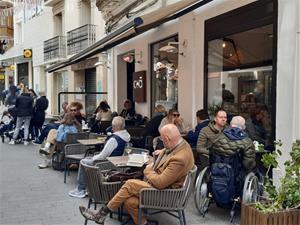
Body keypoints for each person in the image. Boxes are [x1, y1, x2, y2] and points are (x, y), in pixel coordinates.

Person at [79, 124, 194, 225]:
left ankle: (101, 214)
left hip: (168, 195)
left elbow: (160, 183)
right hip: (162, 187)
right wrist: (162, 152)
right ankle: (143, 223)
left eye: (163, 141)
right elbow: (169, 150)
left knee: (129, 184)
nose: (163, 144)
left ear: (168, 139)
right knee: (130, 202)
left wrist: (148, 169)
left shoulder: (180, 158)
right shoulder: (181, 144)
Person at [68, 116, 131, 198]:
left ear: (114, 127)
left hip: (107, 164)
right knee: (88, 159)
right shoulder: (127, 136)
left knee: (83, 162)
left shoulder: (114, 139)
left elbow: (102, 156)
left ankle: (81, 189)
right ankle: (86, 188)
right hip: (119, 163)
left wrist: (93, 158)